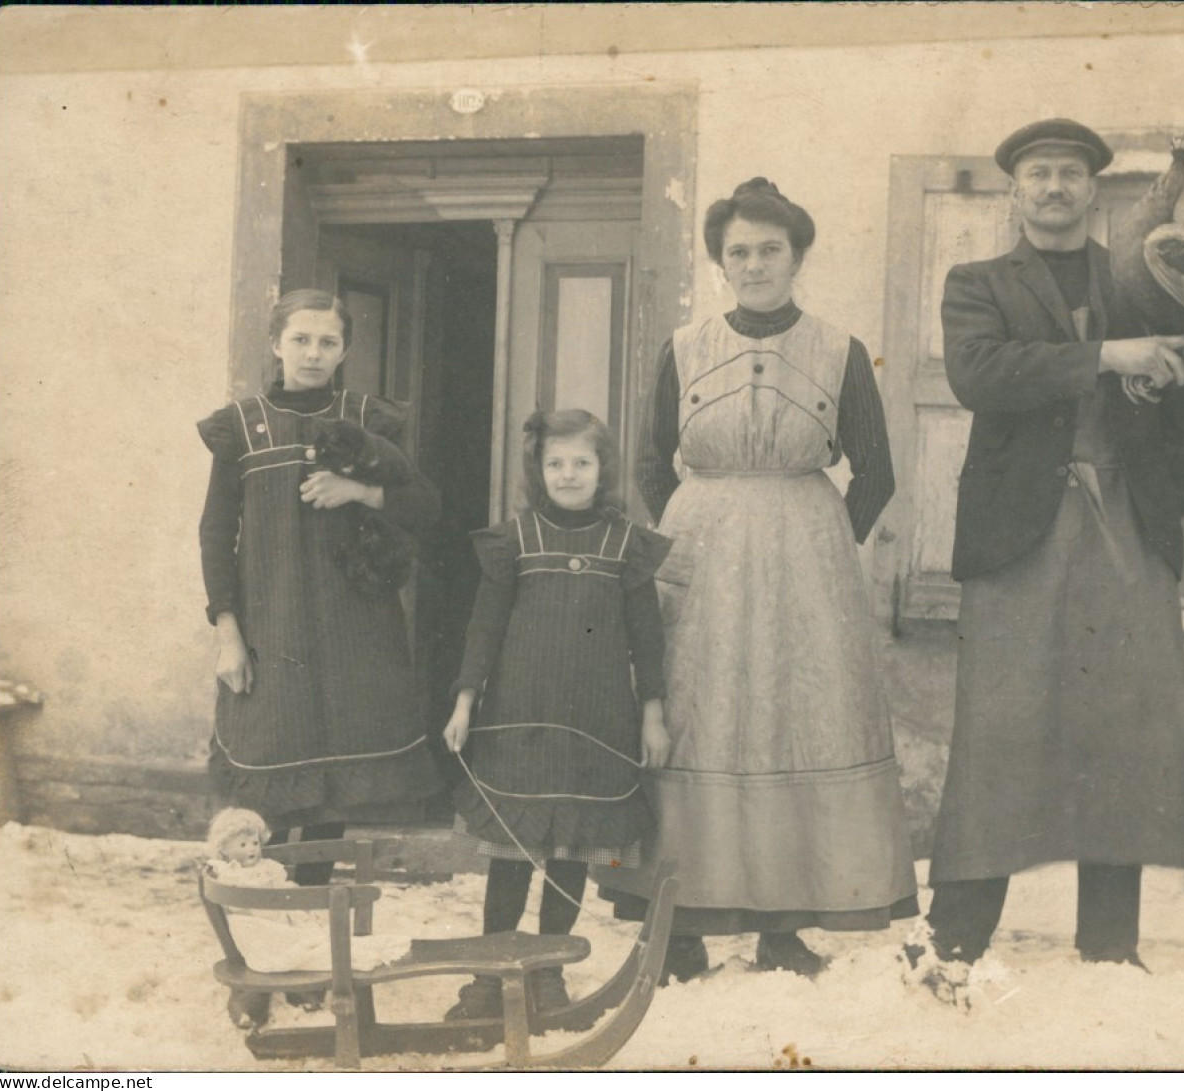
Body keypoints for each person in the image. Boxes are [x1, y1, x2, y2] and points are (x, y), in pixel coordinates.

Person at [915, 120, 1184, 980]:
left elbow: (1181, 421)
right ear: (1014, 192)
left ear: (1094, 193)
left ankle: (1109, 948)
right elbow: (979, 375)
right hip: (1021, 534)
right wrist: (1105, 354)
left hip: (1126, 521)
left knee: (1119, 728)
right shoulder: (974, 281)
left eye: (1071, 174)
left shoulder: (1136, 285)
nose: (1054, 187)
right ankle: (953, 945)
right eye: (1038, 173)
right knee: (998, 730)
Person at [605, 178, 918, 981]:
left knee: (791, 717)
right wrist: (696, 531)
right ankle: (681, 921)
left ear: (797, 256)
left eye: (769, 250)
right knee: (696, 718)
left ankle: (784, 923)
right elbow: (648, 461)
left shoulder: (839, 349)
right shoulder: (682, 347)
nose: (753, 265)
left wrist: (818, 544)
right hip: (699, 554)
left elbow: (875, 471)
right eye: (737, 252)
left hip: (805, 559)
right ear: (719, 262)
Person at [197, 290, 444, 886]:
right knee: (271, 783)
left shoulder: (366, 421)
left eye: (327, 342)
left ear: (345, 350)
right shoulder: (242, 428)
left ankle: (308, 923)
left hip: (352, 630)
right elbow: (214, 534)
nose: (313, 353)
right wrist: (227, 633)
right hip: (272, 628)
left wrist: (359, 491)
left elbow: (426, 506)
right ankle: (266, 922)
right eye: (301, 339)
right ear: (276, 344)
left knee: (333, 793)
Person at [441, 409, 671, 1022]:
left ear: (604, 470)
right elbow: (484, 628)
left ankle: (547, 974)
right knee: (512, 849)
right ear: (537, 471)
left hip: (597, 720)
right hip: (519, 717)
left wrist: (652, 714)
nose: (569, 475)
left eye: (582, 463)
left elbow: (647, 639)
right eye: (556, 463)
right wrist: (465, 701)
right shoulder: (515, 539)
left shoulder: (626, 545)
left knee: (571, 846)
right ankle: (489, 978)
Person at [205, 807, 411, 1029]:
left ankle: (303, 987)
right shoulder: (230, 870)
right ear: (224, 850)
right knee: (286, 943)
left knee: (306, 936)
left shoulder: (268, 868)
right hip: (257, 923)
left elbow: (279, 885)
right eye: (243, 845)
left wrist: (289, 893)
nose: (252, 850)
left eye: (255, 843)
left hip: (279, 916)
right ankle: (256, 993)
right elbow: (220, 878)